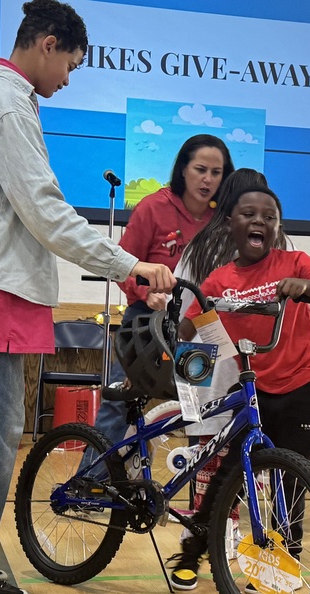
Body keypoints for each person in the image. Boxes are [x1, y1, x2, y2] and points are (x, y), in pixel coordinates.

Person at [0, 0, 174, 594]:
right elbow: (45, 212)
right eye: (70, 65)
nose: (69, 80)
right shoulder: (5, 105)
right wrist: (129, 265)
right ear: (47, 44)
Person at [167, 184, 310, 590]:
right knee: (229, 477)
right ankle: (192, 553)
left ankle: (282, 564)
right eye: (249, 214)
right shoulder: (219, 280)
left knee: (292, 479)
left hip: (304, 386)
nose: (259, 222)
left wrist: (306, 286)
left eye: (269, 217)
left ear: (277, 228)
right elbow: (189, 328)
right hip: (255, 393)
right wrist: (168, 329)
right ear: (230, 225)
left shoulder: (295, 262)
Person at [92, 134, 234, 448]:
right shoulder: (154, 207)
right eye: (200, 169)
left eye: (216, 172)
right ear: (183, 169)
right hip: (147, 323)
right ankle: (94, 474)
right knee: (120, 403)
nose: (208, 179)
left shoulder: (223, 218)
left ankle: (200, 478)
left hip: (197, 327)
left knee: (201, 409)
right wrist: (145, 294)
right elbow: (122, 265)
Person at [172, 169, 287, 524]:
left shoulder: (198, 246)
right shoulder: (277, 246)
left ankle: (201, 527)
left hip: (197, 354)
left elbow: (180, 307)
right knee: (244, 444)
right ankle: (231, 528)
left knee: (205, 445)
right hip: (244, 355)